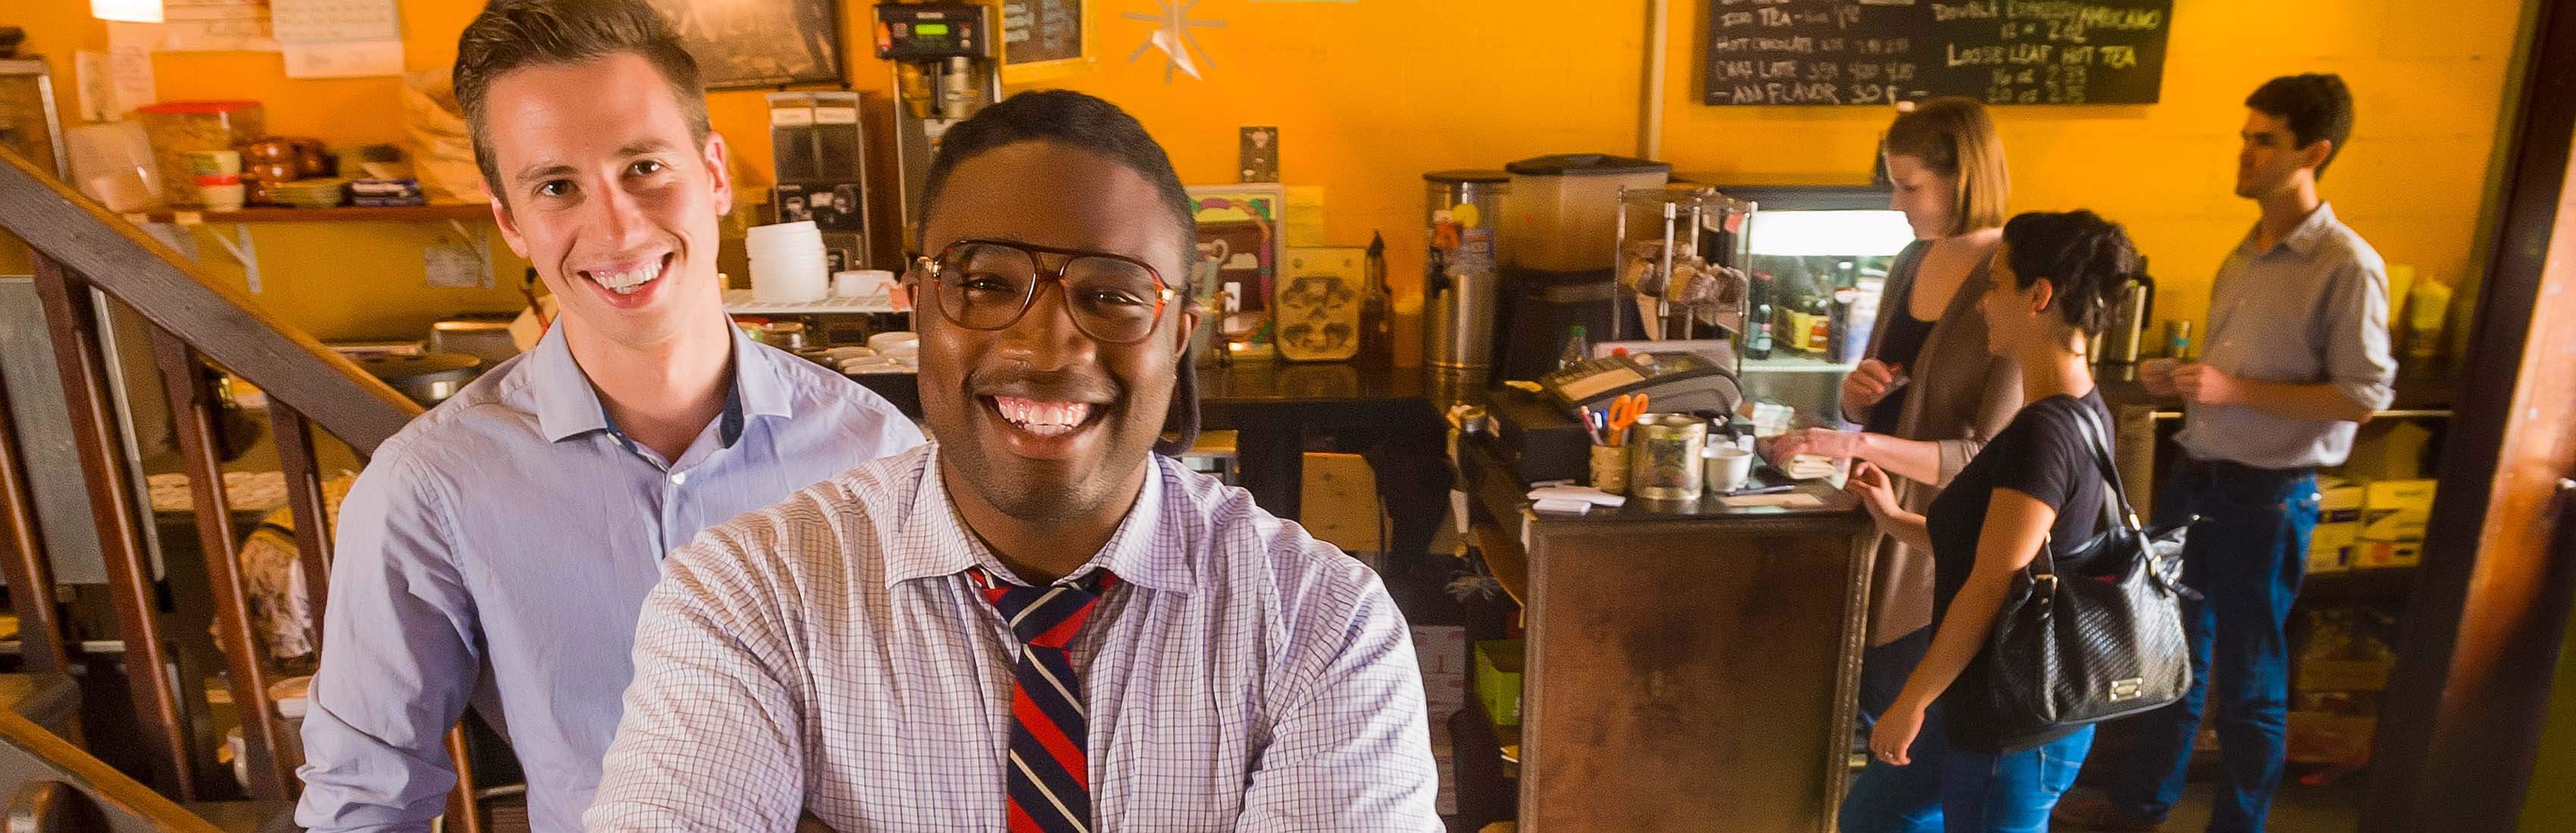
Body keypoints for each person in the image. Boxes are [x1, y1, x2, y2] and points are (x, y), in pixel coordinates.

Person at [584, 89, 1441, 831]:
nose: (1044, 343)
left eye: (1111, 294)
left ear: (1180, 337)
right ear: (917, 308)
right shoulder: (750, 599)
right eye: (987, 282)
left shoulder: (1321, 628)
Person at [293, 2, 924, 830]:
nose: (618, 226)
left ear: (716, 173)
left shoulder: (878, 451)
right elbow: (363, 804)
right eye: (558, 186)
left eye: (644, 167)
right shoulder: (428, 490)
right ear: (510, 222)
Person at [2055, 73, 2395, 833]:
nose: (2242, 152)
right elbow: (2237, 380)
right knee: (2173, 658)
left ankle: (2237, 825)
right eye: (2244, 135)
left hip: (2266, 495)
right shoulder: (2246, 251)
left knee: (2248, 682)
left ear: (2314, 151)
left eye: (2262, 139)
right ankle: (2141, 805)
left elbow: (2364, 395)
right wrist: (2183, 381)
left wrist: (2231, 387)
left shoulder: (2346, 263)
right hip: (2200, 477)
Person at [1764, 97, 2025, 833]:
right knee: (1879, 727)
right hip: (1879, 525)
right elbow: (1874, 402)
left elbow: (1988, 458)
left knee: (1908, 763)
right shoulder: (1913, 259)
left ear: (1963, 176)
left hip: (1937, 551)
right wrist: (1855, 397)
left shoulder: (2008, 278)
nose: (1895, 202)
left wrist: (1854, 444)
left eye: (1909, 185)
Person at [1846, 210, 2142, 831]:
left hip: (2014, 721)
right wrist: (1896, 517)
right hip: (1986, 696)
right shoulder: (2080, 408)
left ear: (2038, 297)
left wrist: (1911, 700)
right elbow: (2009, 553)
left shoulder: (2045, 432)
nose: (1981, 303)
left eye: (1995, 284)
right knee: (1878, 816)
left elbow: (1992, 584)